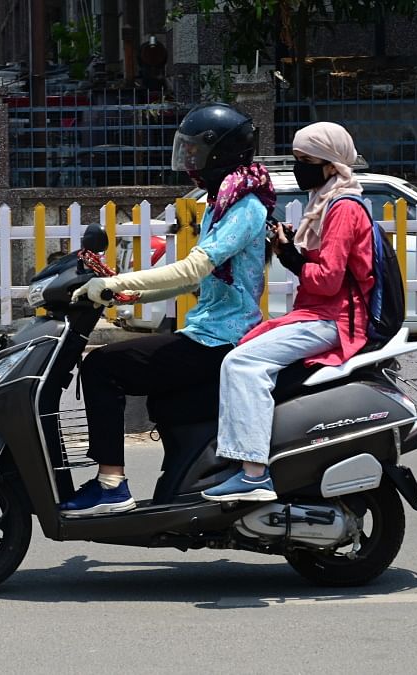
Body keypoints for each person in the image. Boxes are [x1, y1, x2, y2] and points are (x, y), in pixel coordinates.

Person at [60, 102, 276, 516]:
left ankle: (110, 485)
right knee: (165, 403)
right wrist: (130, 296)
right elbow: (195, 280)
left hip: (221, 340)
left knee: (102, 368)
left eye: (197, 150)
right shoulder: (221, 203)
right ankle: (184, 489)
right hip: (207, 332)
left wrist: (115, 282)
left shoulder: (246, 207)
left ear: (223, 152)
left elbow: (194, 267)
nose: (190, 158)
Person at [201, 121, 375, 502]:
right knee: (245, 348)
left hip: (333, 320)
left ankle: (252, 474)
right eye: (297, 158)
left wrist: (293, 259)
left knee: (242, 362)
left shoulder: (343, 208)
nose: (299, 167)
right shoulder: (327, 202)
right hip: (317, 313)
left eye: (306, 159)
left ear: (330, 163)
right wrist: (289, 251)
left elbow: (328, 280)